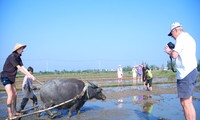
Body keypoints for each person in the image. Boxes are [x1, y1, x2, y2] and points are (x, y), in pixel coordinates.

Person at [164, 22, 198, 120]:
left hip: (185, 73)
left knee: (185, 103)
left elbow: (174, 55)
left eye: (172, 34)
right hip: (192, 71)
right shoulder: (189, 38)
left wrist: (168, 51)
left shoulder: (181, 38)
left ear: (176, 30)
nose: (172, 37)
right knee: (189, 102)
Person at [0, 43, 36, 119]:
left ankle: (15, 111)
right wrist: (29, 75)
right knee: (10, 94)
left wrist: (30, 75)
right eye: (22, 49)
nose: (23, 50)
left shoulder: (18, 57)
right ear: (18, 49)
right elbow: (19, 68)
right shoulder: (12, 57)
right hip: (5, 77)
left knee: (15, 94)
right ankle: (10, 114)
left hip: (11, 77)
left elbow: (23, 67)